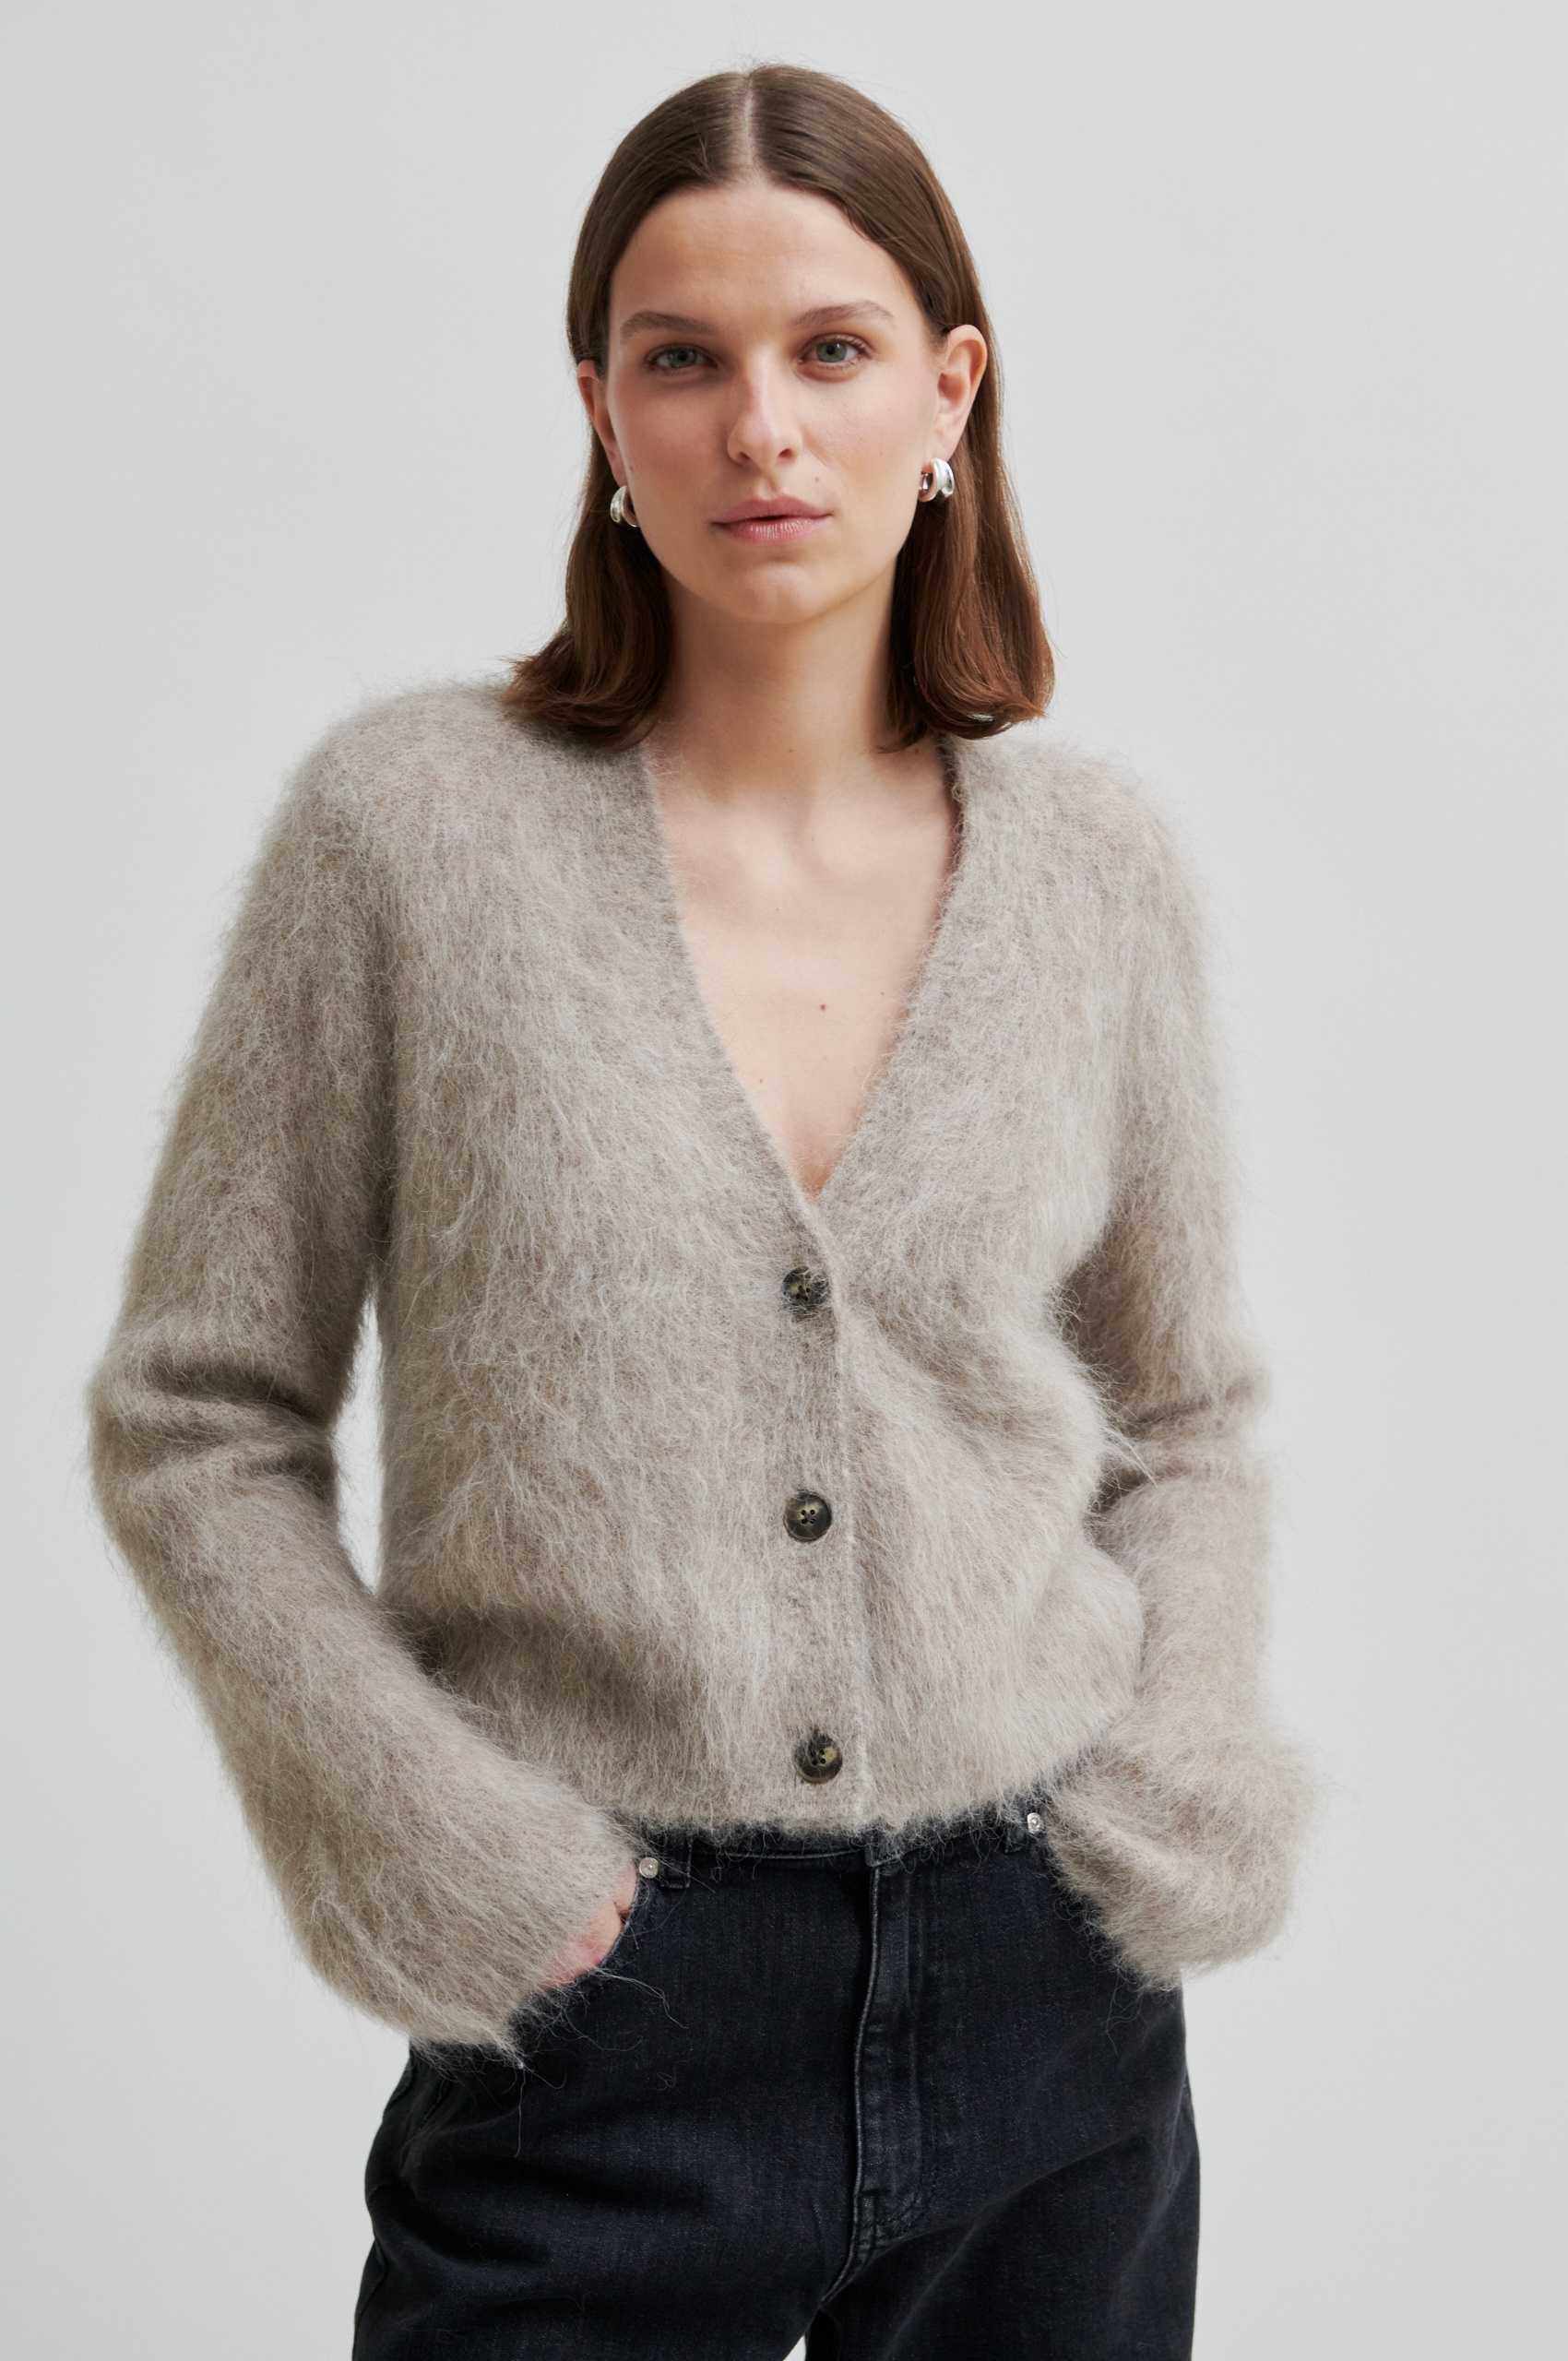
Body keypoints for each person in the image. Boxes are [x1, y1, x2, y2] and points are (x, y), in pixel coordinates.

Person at [90, 64, 1313, 2361]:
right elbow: (196, 1414)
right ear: (601, 412)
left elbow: (1185, 1410)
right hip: (602, 2016)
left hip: (1049, 2010)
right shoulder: (407, 838)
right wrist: (448, 1839)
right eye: (683, 357)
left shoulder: (1094, 871)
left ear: (947, 391)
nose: (761, 425)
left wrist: (1171, 1772)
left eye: (832, 347)